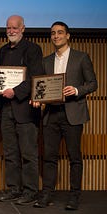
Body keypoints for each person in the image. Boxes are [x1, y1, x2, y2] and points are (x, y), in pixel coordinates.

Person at [33, 21, 98, 210]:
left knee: (74, 157)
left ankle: (74, 196)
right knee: (49, 157)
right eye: (53, 33)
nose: (56, 36)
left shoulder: (81, 57)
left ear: (68, 36)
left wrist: (77, 90)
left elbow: (93, 84)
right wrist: (37, 99)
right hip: (51, 114)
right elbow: (41, 88)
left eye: (60, 33)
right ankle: (46, 194)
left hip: (73, 113)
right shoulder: (45, 61)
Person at [0, 15, 44, 205]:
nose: (11, 31)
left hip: (25, 108)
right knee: (10, 153)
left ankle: (31, 191)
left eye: (15, 28)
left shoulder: (33, 49)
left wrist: (15, 92)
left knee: (28, 154)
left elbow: (35, 77)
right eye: (8, 28)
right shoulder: (2, 50)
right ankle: (14, 189)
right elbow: (0, 78)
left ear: (23, 28)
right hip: (6, 109)